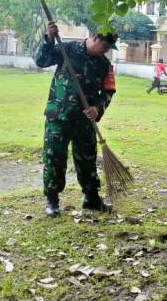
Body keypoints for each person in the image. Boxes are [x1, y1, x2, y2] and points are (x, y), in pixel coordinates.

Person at [35, 22, 118, 217]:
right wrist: (48, 39)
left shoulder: (104, 65)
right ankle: (52, 201)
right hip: (59, 116)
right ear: (96, 38)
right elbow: (41, 60)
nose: (106, 51)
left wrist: (97, 109)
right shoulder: (67, 49)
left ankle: (91, 198)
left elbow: (108, 91)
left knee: (87, 160)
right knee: (54, 159)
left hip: (84, 121)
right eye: (105, 46)